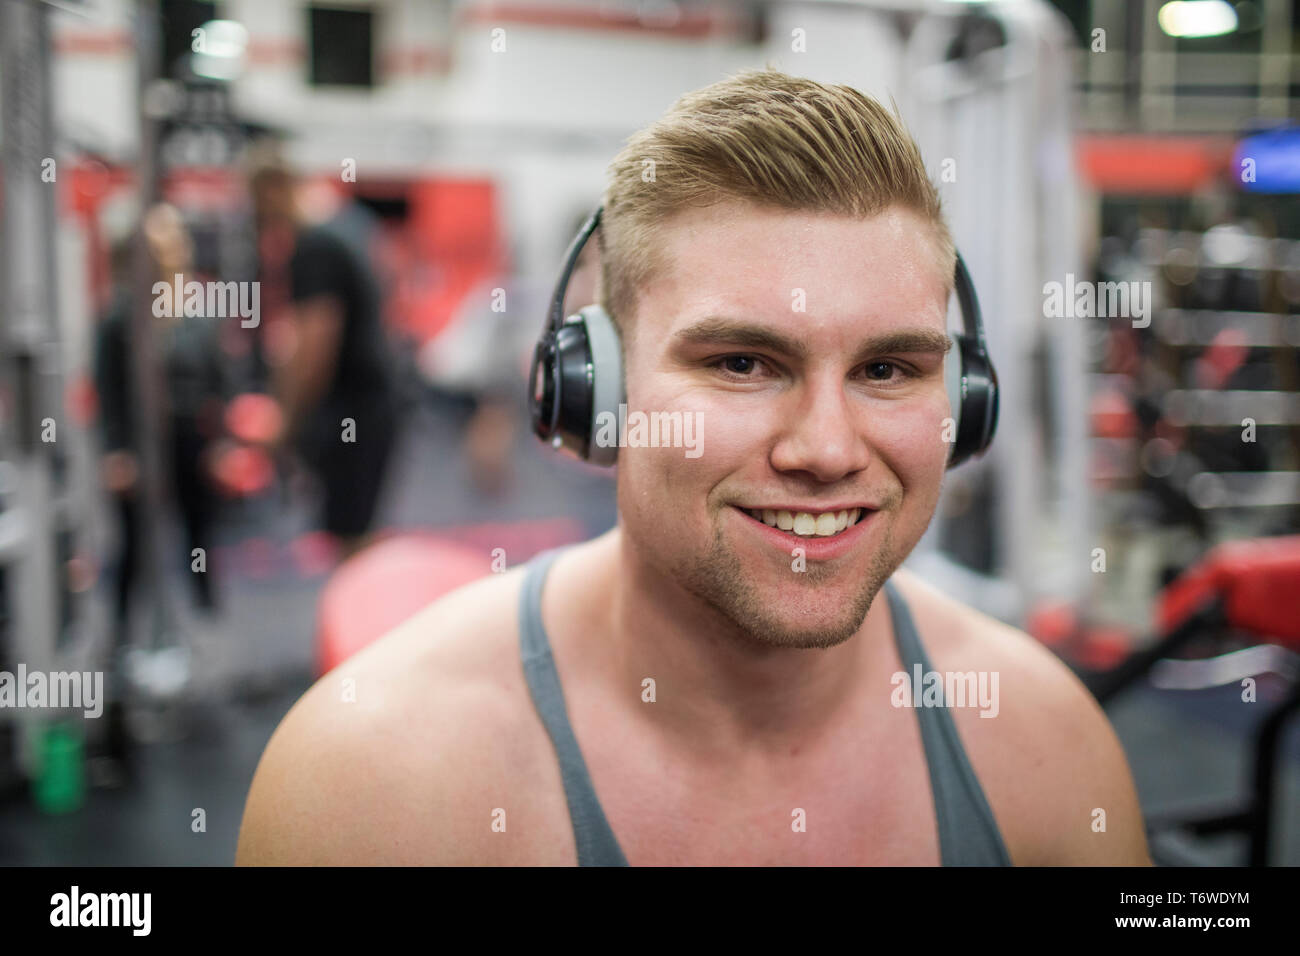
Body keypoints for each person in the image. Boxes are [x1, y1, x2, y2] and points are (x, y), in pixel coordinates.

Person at [236, 70, 1152, 865]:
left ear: (967, 406)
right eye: (742, 364)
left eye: (886, 370)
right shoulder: (369, 789)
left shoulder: (1048, 749)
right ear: (596, 394)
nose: (827, 450)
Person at [94, 203, 228, 767]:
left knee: (198, 541)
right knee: (133, 547)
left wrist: (220, 441)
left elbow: (218, 380)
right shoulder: (119, 316)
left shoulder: (195, 312)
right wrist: (117, 452)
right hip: (140, 451)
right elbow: (109, 390)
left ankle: (201, 634)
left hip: (189, 448)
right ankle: (124, 641)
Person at [246, 145, 400, 559]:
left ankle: (359, 622)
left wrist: (286, 423)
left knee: (350, 540)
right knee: (356, 533)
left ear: (274, 188)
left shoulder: (315, 246)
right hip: (370, 406)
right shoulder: (348, 225)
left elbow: (314, 349)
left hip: (355, 410)